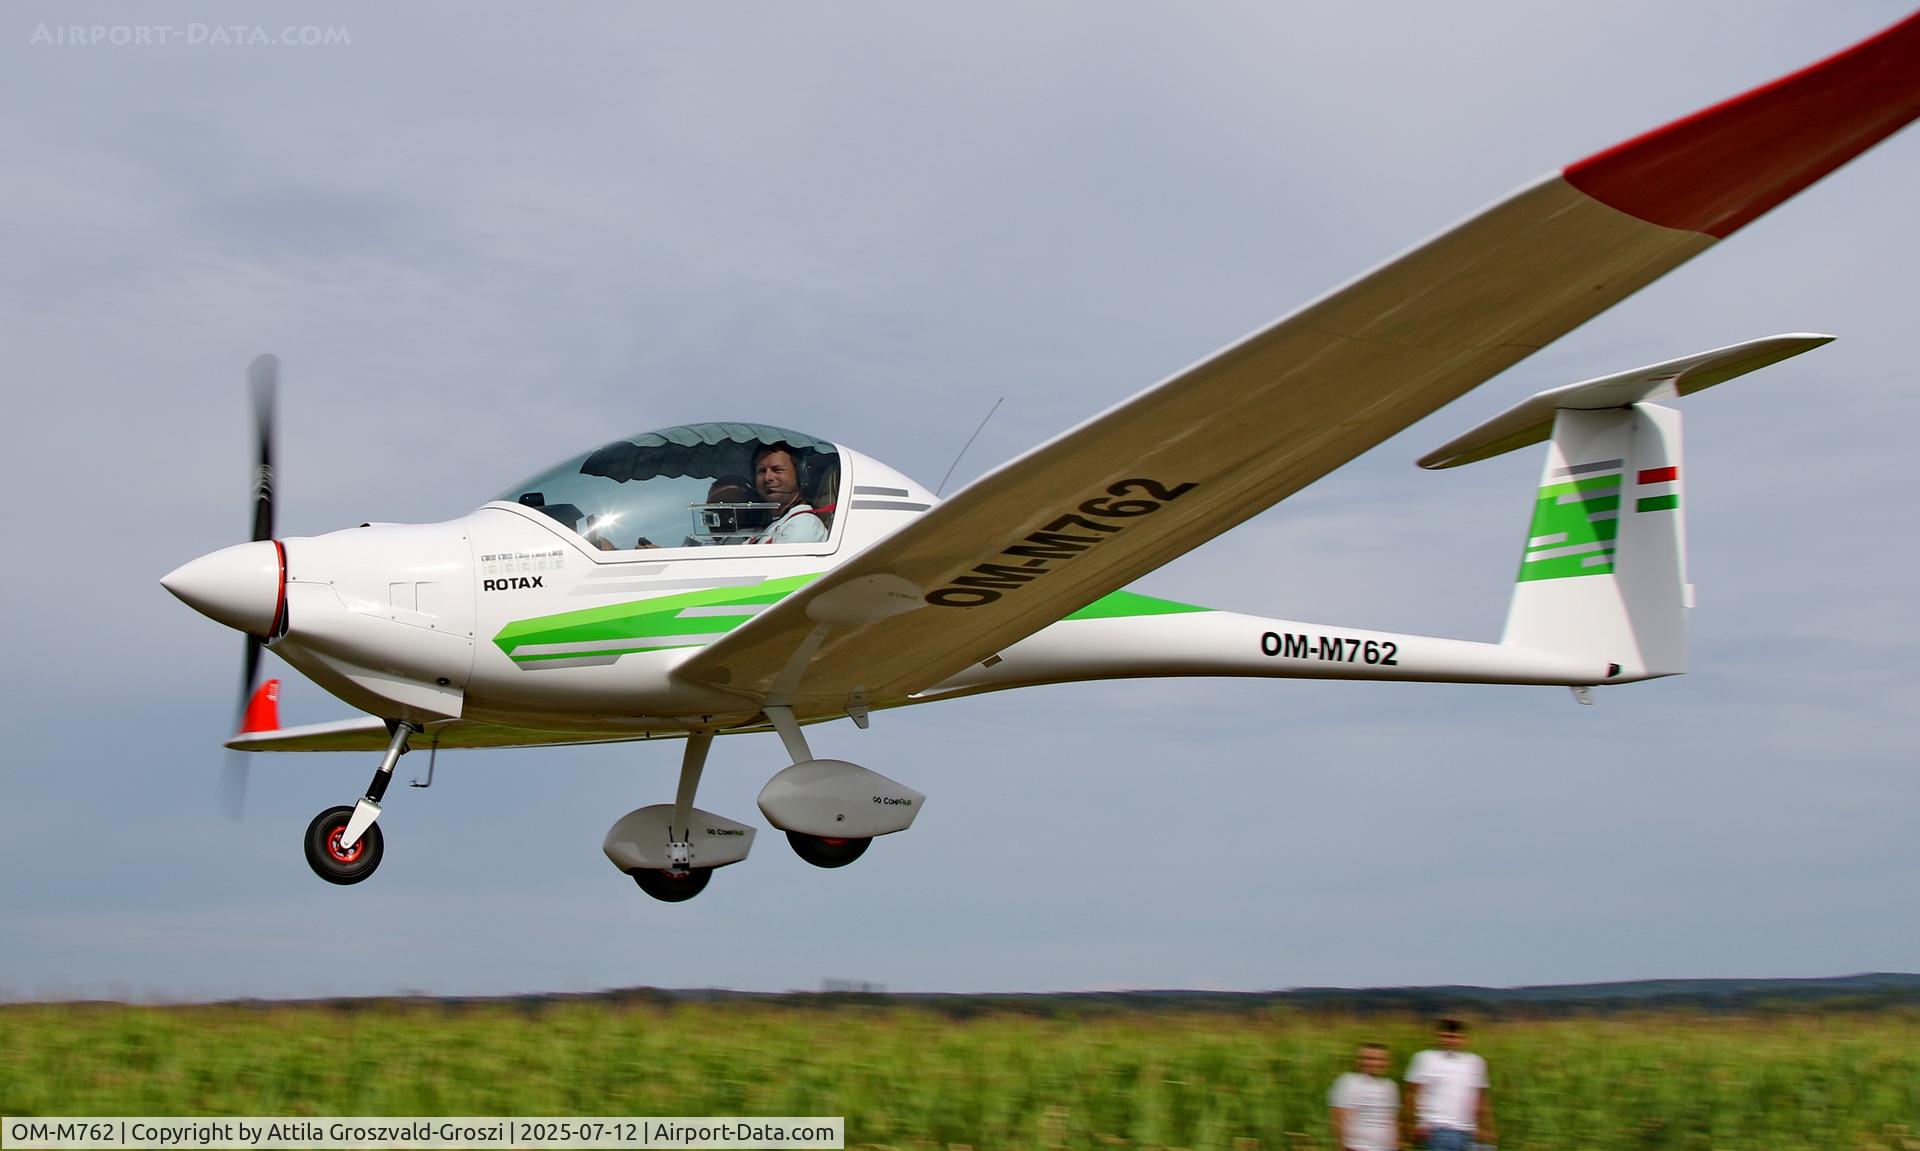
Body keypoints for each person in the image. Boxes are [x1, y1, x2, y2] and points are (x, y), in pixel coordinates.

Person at [1405, 1019, 1494, 1151]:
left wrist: (1487, 1128)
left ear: (1464, 1039)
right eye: (1446, 1036)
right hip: (1437, 1129)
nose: (1451, 1041)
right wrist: (1412, 1123)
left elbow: (1481, 1098)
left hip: (1467, 1131)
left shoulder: (1474, 1062)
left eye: (1456, 1037)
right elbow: (1412, 1093)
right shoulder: (1425, 1058)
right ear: (1438, 1036)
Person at [750, 442, 829, 544]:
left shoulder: (803, 524)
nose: (767, 478)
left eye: (777, 470)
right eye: (761, 471)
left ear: (800, 475)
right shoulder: (776, 523)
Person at [1328, 1042, 1399, 1151]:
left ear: (1387, 1062)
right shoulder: (1348, 1082)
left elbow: (1392, 1120)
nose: (1372, 1063)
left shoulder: (1390, 1086)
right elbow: (1338, 1118)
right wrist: (1342, 1146)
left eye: (1378, 1059)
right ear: (1358, 1061)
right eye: (1367, 1058)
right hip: (1358, 1147)